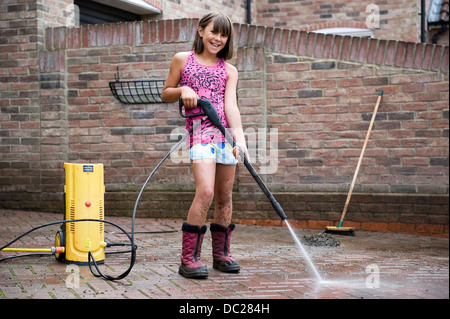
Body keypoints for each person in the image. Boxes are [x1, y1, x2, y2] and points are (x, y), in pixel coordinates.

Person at [162, 12, 249, 279]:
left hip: (225, 137)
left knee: (225, 197)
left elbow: (230, 107)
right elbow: (166, 93)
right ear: (201, 31)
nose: (218, 39)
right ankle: (188, 258)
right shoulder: (182, 59)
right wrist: (183, 91)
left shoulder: (229, 70)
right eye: (214, 32)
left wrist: (241, 141)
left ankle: (221, 256)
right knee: (206, 192)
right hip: (200, 134)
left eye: (224, 35)